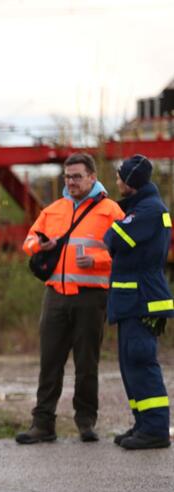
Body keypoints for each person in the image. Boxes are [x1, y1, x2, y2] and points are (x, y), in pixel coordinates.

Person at [16, 153, 124, 445]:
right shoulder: (53, 210)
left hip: (91, 297)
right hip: (55, 297)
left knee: (86, 364)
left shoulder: (111, 211)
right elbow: (27, 242)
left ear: (92, 176)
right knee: (49, 362)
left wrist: (98, 261)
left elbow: (126, 255)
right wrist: (40, 244)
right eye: (67, 177)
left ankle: (86, 423)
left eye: (77, 176)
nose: (71, 182)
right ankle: (42, 424)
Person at [104, 154, 173, 450]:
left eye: (120, 177)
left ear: (131, 181)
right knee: (130, 364)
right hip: (132, 300)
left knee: (140, 362)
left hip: (141, 299)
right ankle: (143, 423)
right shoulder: (141, 207)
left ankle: (156, 429)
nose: (117, 181)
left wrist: (116, 223)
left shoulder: (148, 210)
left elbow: (115, 239)